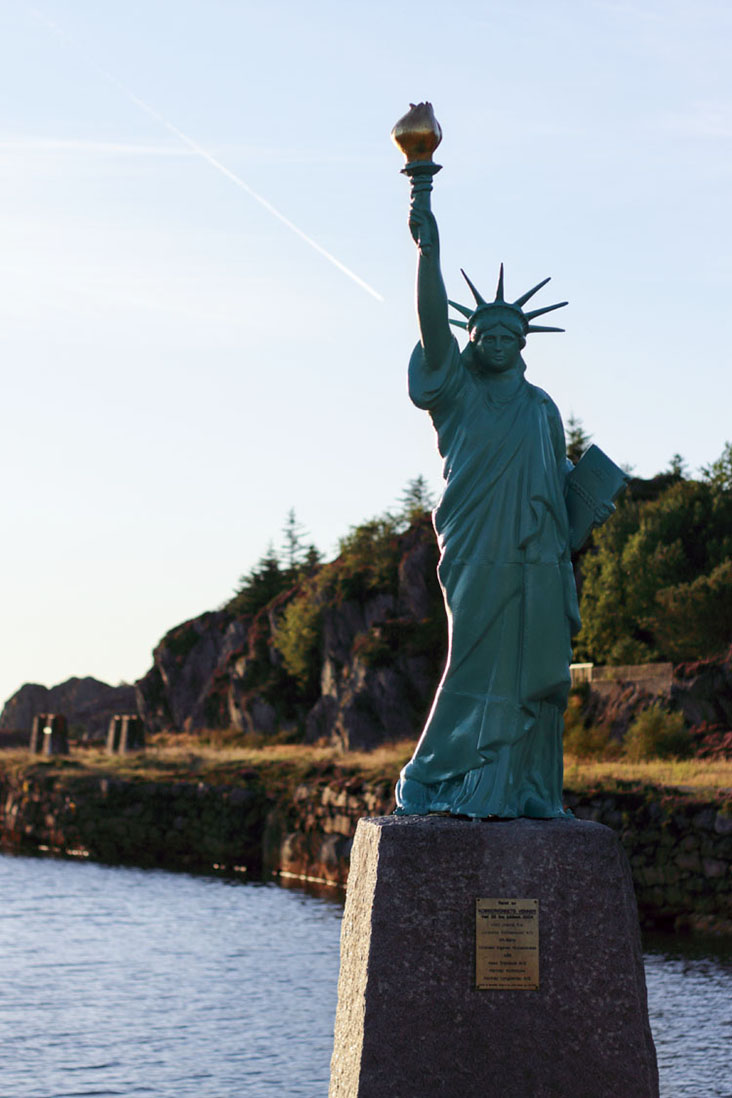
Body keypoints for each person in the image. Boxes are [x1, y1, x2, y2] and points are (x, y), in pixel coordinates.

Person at [394, 202, 581, 819]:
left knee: (532, 664)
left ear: (524, 343)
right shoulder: (457, 393)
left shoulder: (541, 407)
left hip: (537, 558)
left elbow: (559, 485)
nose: (498, 343)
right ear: (471, 339)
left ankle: (523, 789)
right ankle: (434, 776)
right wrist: (430, 253)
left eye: (509, 335)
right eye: (486, 334)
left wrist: (591, 499)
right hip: (477, 546)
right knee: (473, 660)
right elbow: (431, 327)